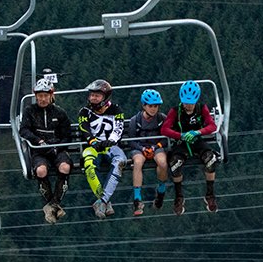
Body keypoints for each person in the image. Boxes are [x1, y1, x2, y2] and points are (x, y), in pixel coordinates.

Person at [161, 80, 222, 214]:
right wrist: (180, 135)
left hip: (197, 141)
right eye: (186, 102)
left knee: (211, 160)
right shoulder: (175, 111)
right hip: (181, 143)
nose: (188, 105)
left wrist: (198, 132)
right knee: (175, 164)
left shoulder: (201, 109)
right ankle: (179, 196)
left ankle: (210, 194)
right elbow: (165, 129)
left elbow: (212, 126)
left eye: (191, 102)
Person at [18, 77, 75, 222]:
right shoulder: (30, 111)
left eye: (45, 96)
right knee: (41, 171)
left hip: (58, 150)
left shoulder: (59, 113)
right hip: (39, 150)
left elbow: (67, 136)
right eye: (39, 96)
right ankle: (52, 203)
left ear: (51, 96)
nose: (42, 99)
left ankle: (53, 204)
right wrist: (38, 140)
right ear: (35, 96)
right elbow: (23, 130)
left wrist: (58, 147)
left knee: (65, 167)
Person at [76, 78, 127, 218]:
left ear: (105, 97)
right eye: (91, 95)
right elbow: (84, 128)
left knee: (121, 161)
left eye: (97, 95)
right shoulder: (84, 111)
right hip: (92, 147)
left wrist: (111, 141)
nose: (93, 98)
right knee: (88, 164)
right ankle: (106, 200)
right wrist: (92, 141)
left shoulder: (116, 109)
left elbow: (119, 128)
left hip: (110, 146)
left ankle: (102, 201)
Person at [124, 88, 170, 216]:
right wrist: (142, 149)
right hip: (139, 148)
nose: (153, 109)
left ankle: (161, 191)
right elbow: (131, 141)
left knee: (162, 162)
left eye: (156, 106)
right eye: (150, 106)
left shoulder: (162, 118)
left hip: (156, 147)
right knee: (138, 162)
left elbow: (166, 138)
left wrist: (156, 147)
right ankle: (137, 199)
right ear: (144, 106)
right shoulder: (135, 120)